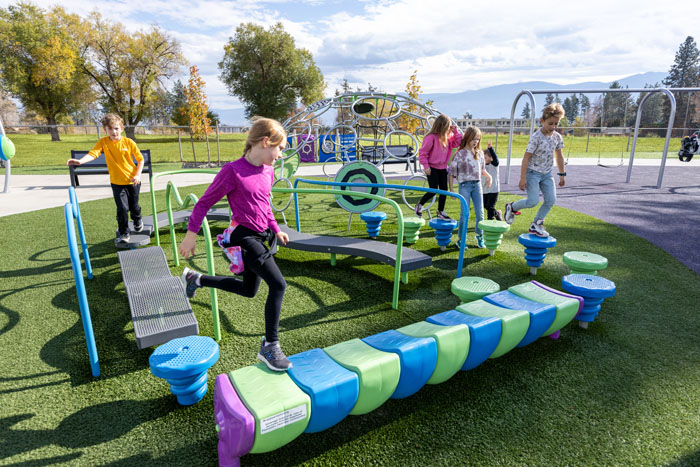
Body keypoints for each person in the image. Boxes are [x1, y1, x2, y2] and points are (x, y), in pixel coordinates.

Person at [178, 117, 292, 372]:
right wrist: (190, 235)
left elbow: (265, 205)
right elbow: (204, 203)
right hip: (244, 236)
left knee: (249, 291)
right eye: (280, 148)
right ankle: (270, 346)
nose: (280, 155)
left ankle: (196, 279)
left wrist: (276, 229)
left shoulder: (268, 170)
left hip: (262, 235)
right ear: (265, 142)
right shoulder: (233, 171)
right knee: (278, 284)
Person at [66, 113, 144, 243]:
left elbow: (140, 160)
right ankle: (124, 233)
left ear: (122, 128)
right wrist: (80, 161)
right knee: (122, 208)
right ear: (105, 130)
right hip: (116, 183)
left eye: (116, 128)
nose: (114, 132)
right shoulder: (103, 142)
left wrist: (137, 175)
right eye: (110, 129)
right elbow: (93, 153)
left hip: (133, 181)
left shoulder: (128, 142)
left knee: (134, 206)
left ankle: (137, 219)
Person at [504, 103, 566, 237]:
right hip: (532, 173)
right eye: (550, 123)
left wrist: (562, 174)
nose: (553, 127)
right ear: (542, 121)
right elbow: (526, 158)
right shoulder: (536, 138)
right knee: (532, 201)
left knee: (551, 200)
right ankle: (512, 207)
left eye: (556, 124)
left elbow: (559, 156)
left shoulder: (557, 137)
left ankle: (536, 224)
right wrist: (522, 178)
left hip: (547, 174)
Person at [448, 126, 492, 249]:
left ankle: (480, 236)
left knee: (480, 213)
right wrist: (451, 189)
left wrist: (489, 176)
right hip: (464, 186)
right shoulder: (459, 154)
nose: (476, 141)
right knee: (464, 214)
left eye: (478, 139)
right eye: (473, 139)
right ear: (467, 137)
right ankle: (461, 240)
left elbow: (481, 170)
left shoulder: (480, 153)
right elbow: (451, 173)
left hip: (477, 185)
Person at [415, 114, 461, 220]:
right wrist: (426, 166)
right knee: (433, 189)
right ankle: (420, 205)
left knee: (444, 190)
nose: (450, 128)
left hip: (443, 168)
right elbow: (423, 153)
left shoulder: (448, 138)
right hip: (432, 168)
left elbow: (458, 142)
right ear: (443, 126)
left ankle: (441, 211)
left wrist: (456, 131)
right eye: (448, 125)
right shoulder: (431, 137)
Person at [482, 142, 502, 221]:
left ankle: (490, 220)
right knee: (485, 205)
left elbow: (495, 159)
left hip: (494, 189)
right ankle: (497, 213)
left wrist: (490, 149)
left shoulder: (494, 165)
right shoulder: (482, 166)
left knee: (490, 206)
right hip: (484, 189)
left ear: (491, 158)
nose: (484, 159)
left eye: (485, 158)